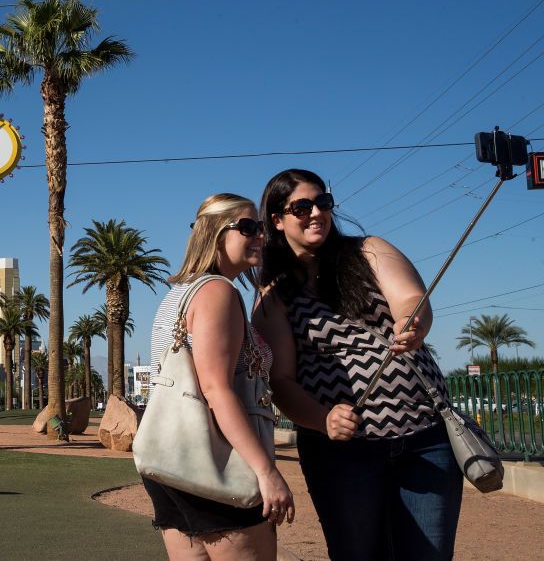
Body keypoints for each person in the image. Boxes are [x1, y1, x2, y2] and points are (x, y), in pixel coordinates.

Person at [252, 169, 462, 561]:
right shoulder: (274, 294)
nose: (316, 213)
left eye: (323, 202)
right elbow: (280, 380)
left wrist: (410, 323)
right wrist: (323, 419)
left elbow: (411, 298)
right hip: (342, 453)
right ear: (277, 220)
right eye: (302, 206)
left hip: (425, 438)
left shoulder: (369, 249)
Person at [144, 193, 294, 560]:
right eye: (247, 227)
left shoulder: (177, 294)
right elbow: (216, 389)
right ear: (214, 233)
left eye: (259, 227)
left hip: (172, 460)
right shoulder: (217, 292)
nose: (259, 235)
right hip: (217, 461)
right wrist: (266, 471)